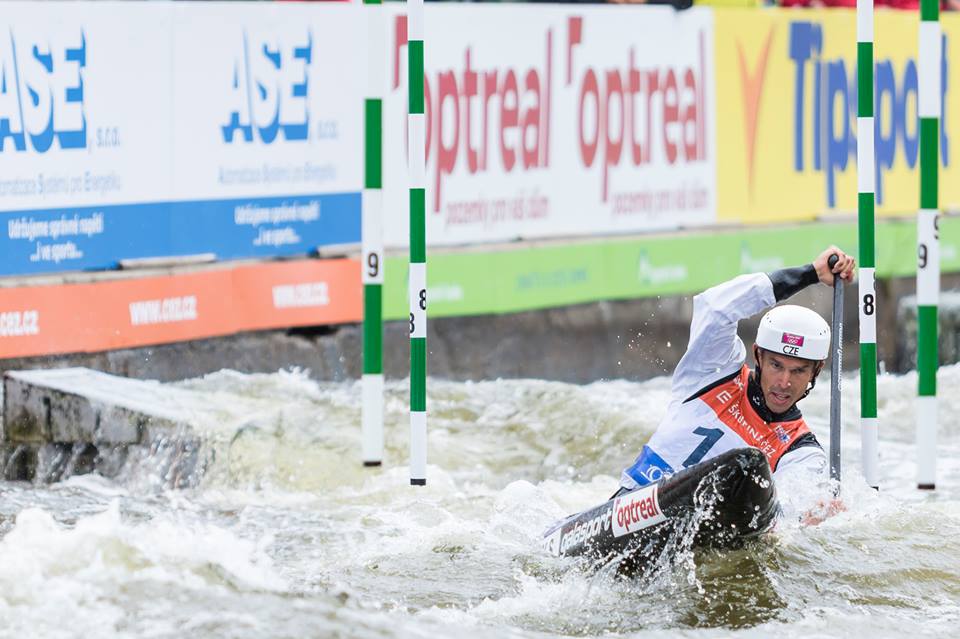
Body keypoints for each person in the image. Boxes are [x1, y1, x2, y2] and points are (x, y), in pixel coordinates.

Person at [617, 246, 855, 522]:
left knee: (749, 467)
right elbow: (717, 307)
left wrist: (811, 517)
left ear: (816, 371)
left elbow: (785, 517)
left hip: (700, 541)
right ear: (758, 355)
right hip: (631, 504)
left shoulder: (801, 452)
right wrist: (809, 274)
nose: (784, 382)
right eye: (776, 365)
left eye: (799, 371)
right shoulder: (712, 372)